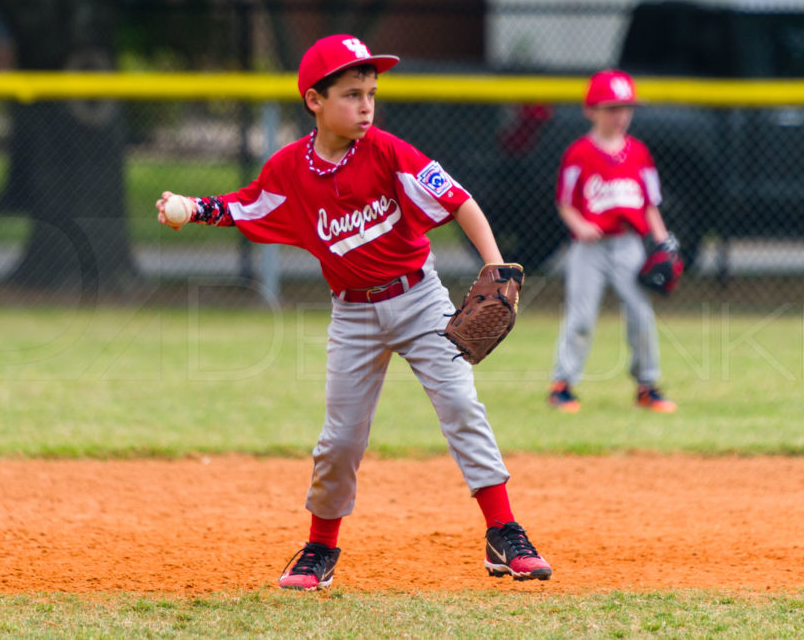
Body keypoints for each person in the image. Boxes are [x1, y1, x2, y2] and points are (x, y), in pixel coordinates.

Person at [155, 35, 551, 591]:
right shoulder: (291, 169)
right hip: (354, 315)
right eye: (351, 94)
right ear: (314, 101)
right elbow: (246, 205)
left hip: (419, 300)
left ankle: (504, 532)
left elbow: (459, 199)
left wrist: (497, 268)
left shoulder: (389, 151)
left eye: (371, 93)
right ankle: (320, 547)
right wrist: (192, 209)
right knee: (340, 440)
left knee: (462, 404)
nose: (366, 106)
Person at [548, 69, 677, 415]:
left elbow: (649, 205)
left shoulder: (639, 153)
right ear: (591, 111)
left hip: (629, 246)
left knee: (640, 315)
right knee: (581, 317)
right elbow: (564, 202)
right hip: (588, 249)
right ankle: (562, 385)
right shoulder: (578, 154)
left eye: (626, 108)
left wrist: (663, 241)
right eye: (611, 108)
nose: (621, 116)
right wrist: (580, 225)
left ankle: (647, 385)